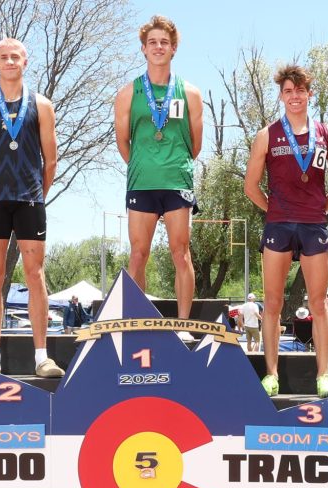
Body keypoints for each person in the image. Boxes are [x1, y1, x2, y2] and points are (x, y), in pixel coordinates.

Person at [244, 63, 328, 398]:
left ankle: (323, 377)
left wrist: (321, 209)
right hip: (279, 225)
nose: (294, 96)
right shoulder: (267, 135)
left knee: (319, 303)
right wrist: (273, 210)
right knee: (272, 303)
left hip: (313, 225)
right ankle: (271, 375)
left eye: (300, 91)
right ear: (281, 96)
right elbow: (250, 186)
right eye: (288, 91)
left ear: (309, 94)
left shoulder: (327, 135)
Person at [0, 38, 64, 378]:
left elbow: (50, 161)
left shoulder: (42, 105)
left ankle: (42, 356)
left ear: (25, 61)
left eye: (15, 57)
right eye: (3, 57)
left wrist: (36, 193)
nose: (9, 61)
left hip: (29, 200)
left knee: (35, 275)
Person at [114, 15, 203, 338]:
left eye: (164, 42)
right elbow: (123, 142)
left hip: (177, 181)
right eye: (152, 42)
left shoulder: (190, 92)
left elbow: (196, 143)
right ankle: (138, 322)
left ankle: (182, 325)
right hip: (141, 182)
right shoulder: (128, 93)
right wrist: (144, 163)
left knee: (181, 253)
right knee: (138, 254)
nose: (158, 47)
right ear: (143, 49)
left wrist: (171, 162)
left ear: (174, 48)